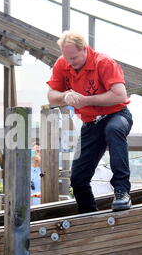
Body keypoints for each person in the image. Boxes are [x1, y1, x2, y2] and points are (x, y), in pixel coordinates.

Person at [46, 30, 133, 213]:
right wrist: (65, 96)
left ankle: (122, 190)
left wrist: (85, 100)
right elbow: (52, 97)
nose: (70, 62)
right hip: (91, 122)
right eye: (66, 57)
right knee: (77, 179)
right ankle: (88, 214)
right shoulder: (62, 63)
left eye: (74, 57)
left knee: (113, 130)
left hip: (117, 114)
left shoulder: (104, 62)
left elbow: (120, 95)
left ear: (85, 49)